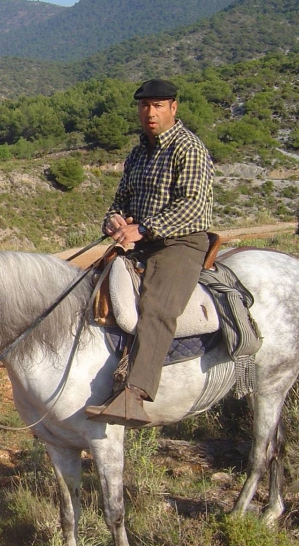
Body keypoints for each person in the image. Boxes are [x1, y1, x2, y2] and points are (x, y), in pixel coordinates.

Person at [85, 79, 213, 426]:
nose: (150, 112)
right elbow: (121, 200)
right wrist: (113, 220)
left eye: (158, 105)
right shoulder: (138, 152)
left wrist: (142, 228)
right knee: (90, 288)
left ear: (174, 107)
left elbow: (192, 207)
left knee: (156, 307)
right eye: (144, 106)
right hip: (139, 242)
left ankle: (134, 395)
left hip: (180, 243)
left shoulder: (189, 148)